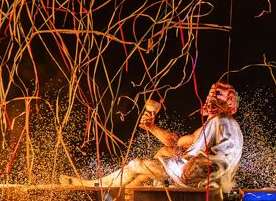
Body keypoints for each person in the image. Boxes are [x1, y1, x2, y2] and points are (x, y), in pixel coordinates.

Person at [64, 81, 243, 193]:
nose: (211, 96)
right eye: (211, 92)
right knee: (161, 155)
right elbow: (177, 142)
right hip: (191, 171)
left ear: (230, 101)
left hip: (196, 177)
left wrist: (199, 166)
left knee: (137, 164)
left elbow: (223, 158)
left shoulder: (222, 122)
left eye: (218, 93)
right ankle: (123, 193)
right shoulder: (211, 124)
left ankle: (96, 186)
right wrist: (152, 127)